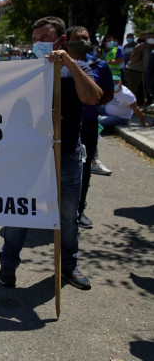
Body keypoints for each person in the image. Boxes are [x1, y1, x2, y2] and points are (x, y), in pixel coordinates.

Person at [0, 16, 101, 291]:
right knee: (19, 213)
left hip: (66, 156)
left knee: (68, 216)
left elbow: (93, 97)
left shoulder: (78, 68)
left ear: (61, 41)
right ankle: (7, 266)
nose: (39, 44)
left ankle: (68, 266)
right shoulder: (23, 71)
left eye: (45, 39)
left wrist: (68, 63)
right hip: (29, 157)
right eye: (35, 40)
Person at [66, 26, 114, 229]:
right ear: (66, 41)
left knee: (83, 168)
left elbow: (107, 94)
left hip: (88, 124)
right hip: (63, 123)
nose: (82, 41)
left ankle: (78, 211)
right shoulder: (56, 63)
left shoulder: (100, 66)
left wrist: (90, 100)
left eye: (85, 38)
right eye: (77, 38)